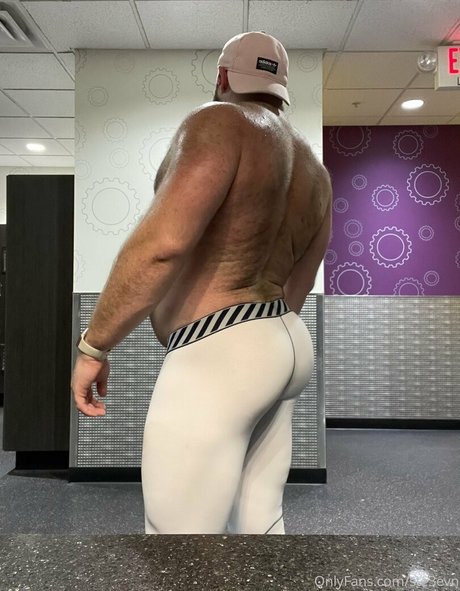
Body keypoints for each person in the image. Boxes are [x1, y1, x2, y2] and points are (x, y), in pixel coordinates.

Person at [71, 31, 332, 534]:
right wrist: (261, 351)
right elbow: (302, 277)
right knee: (259, 523)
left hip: (220, 354)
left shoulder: (218, 121)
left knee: (179, 543)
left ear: (222, 76)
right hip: (286, 341)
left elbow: (162, 245)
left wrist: (94, 346)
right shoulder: (314, 170)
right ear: (281, 88)